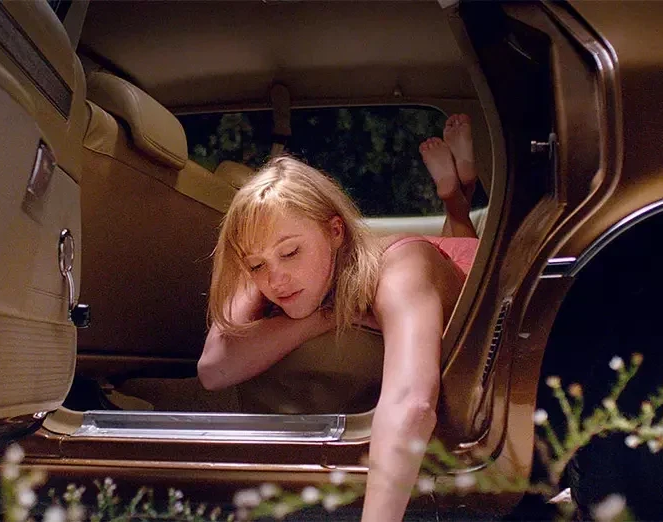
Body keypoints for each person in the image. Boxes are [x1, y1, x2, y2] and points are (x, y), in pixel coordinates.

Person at [198, 114, 480, 521]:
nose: (275, 279)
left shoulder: (402, 270)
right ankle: (457, 191)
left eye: (291, 252)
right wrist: (324, 317)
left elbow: (411, 405)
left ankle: (456, 195)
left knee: (463, 239)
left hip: (457, 267)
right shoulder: (268, 259)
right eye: (257, 266)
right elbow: (213, 368)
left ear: (335, 231)